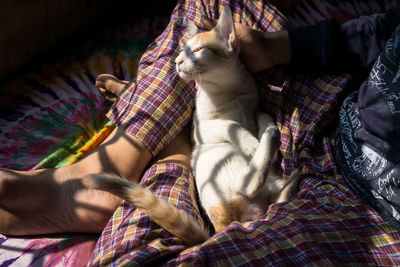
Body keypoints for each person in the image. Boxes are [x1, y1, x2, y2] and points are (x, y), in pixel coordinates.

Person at [1, 0, 400, 265]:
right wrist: (279, 47)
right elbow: (383, 31)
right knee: (217, 3)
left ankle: (170, 153)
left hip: (362, 206)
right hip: (330, 116)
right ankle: (122, 155)